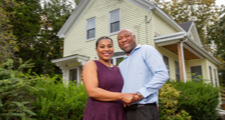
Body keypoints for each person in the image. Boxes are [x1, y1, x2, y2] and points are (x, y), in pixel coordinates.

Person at [117, 29, 169, 120]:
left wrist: (140, 95)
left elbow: (162, 74)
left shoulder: (146, 50)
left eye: (127, 36)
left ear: (134, 37)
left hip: (144, 110)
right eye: (120, 38)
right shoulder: (121, 65)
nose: (124, 40)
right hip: (126, 112)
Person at [82, 36, 138, 120]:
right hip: (98, 114)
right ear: (96, 50)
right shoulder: (92, 64)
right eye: (102, 47)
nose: (106, 49)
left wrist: (149, 102)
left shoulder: (118, 69)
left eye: (109, 46)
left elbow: (128, 89)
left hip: (118, 114)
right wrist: (122, 96)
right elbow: (92, 92)